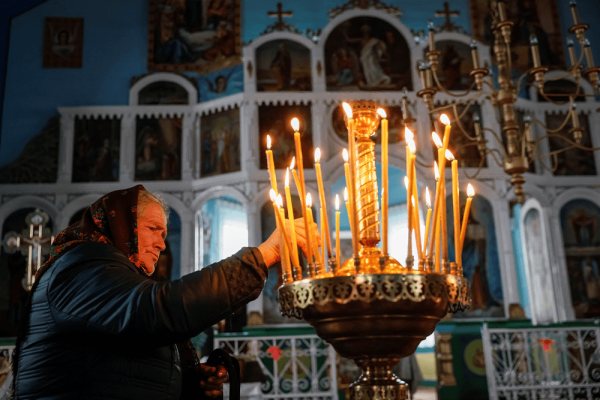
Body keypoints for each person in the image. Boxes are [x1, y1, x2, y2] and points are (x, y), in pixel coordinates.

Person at [11, 185, 315, 399]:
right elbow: (153, 312)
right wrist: (262, 256)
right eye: (153, 229)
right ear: (123, 224)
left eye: (164, 233)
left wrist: (189, 380)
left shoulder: (110, 275)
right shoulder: (79, 267)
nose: (161, 243)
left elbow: (120, 360)